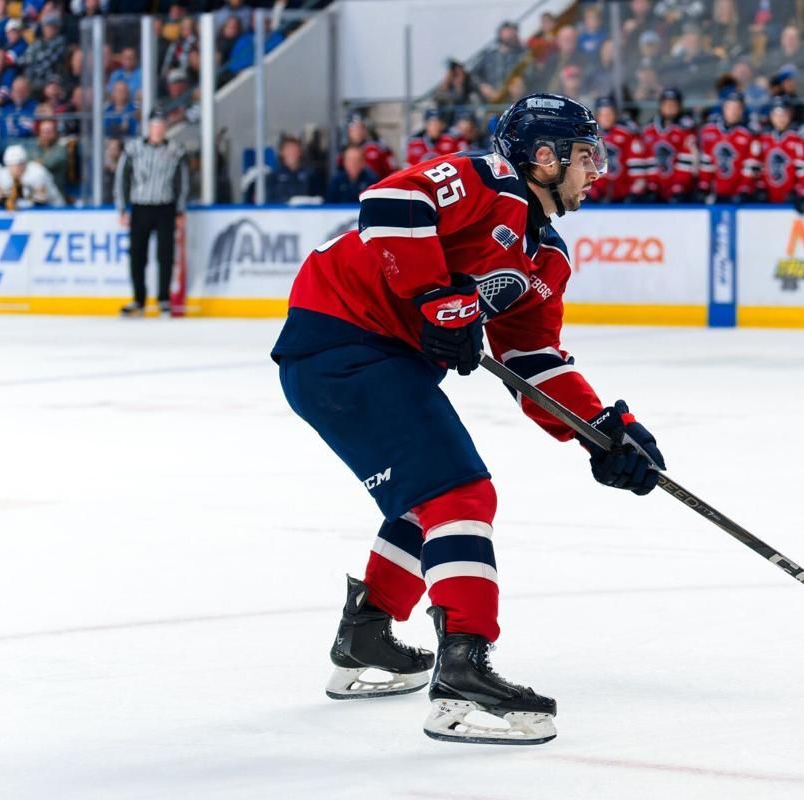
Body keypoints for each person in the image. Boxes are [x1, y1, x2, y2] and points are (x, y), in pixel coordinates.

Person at [270, 93, 662, 746]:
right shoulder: (487, 181)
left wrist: (604, 430)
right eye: (585, 156)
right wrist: (434, 295)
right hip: (339, 340)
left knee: (432, 492)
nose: (596, 171)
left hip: (379, 355)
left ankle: (366, 635)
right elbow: (390, 204)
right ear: (544, 158)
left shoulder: (548, 258)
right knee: (460, 493)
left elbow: (532, 359)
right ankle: (462, 670)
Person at [114, 112, 189, 317]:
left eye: (161, 125)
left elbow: (182, 181)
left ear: (165, 128)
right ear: (148, 128)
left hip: (165, 206)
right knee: (137, 255)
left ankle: (163, 298)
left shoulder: (175, 150)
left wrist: (180, 210)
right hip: (140, 206)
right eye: (154, 125)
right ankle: (139, 299)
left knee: (165, 255)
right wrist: (121, 208)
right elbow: (122, 178)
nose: (158, 129)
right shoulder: (133, 149)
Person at [698, 91, 760, 203]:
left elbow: (751, 165)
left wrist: (744, 189)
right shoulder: (709, 131)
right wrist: (704, 186)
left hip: (739, 194)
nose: (733, 112)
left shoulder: (749, 134)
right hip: (715, 193)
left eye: (737, 108)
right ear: (724, 108)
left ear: (742, 110)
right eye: (730, 107)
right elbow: (706, 162)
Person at [641, 86, 699, 203]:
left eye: (673, 104)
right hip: (656, 187)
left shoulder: (687, 128)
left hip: (682, 189)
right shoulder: (649, 129)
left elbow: (688, 160)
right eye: (666, 103)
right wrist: (652, 185)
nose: (669, 107)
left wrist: (679, 186)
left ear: (680, 106)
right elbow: (647, 158)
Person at [588, 96, 648, 203]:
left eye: (609, 114)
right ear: (597, 116)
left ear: (615, 115)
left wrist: (635, 191)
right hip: (596, 194)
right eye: (603, 114)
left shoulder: (627, 135)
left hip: (623, 193)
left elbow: (636, 167)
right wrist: (589, 190)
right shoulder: (588, 137)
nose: (606, 118)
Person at [757, 95, 804, 212]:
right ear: (771, 116)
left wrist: (802, 194)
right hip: (769, 198)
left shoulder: (798, 137)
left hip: (792, 199)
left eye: (784, 114)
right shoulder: (764, 138)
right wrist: (761, 188)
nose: (780, 118)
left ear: (790, 114)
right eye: (776, 115)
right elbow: (760, 166)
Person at [0, 144, 65, 209]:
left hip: (54, 206)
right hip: (27, 209)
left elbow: (41, 200)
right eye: (11, 165)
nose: (16, 168)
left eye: (19, 164)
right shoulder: (3, 174)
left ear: (25, 163)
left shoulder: (37, 173)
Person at [266, 134, 320, 204]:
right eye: (288, 149)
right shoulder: (273, 177)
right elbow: (269, 201)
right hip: (281, 213)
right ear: (281, 152)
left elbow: (319, 199)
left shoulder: (311, 175)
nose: (292, 153)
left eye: (294, 149)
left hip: (305, 213)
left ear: (300, 152)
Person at [26, 118, 69, 200]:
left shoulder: (61, 149)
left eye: (49, 132)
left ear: (55, 133)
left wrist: (36, 162)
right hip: (35, 195)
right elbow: (27, 161)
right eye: (43, 132)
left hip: (55, 195)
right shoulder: (34, 147)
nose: (46, 135)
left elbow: (48, 164)